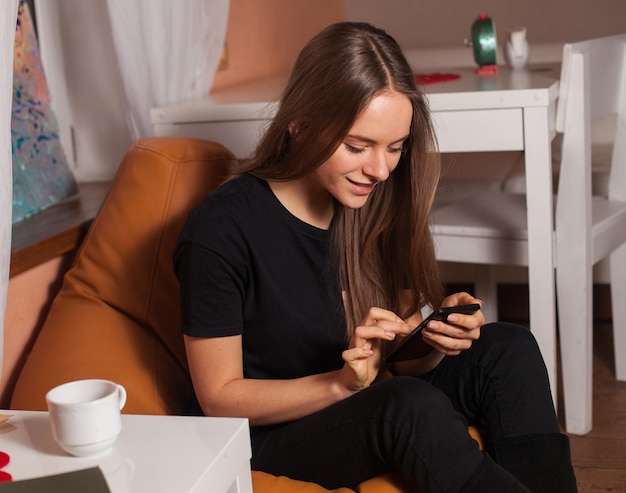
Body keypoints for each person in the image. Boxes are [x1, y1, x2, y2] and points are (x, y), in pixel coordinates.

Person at [174, 21, 577, 493]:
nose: (380, 169)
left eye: (395, 147)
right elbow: (219, 399)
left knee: (509, 347)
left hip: (364, 398)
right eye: (357, 147)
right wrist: (343, 383)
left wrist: (435, 339)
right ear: (300, 123)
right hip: (267, 433)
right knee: (406, 405)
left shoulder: (375, 202)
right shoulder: (222, 229)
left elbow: (399, 363)